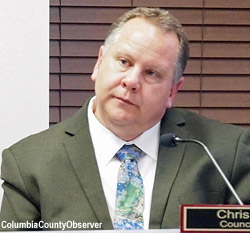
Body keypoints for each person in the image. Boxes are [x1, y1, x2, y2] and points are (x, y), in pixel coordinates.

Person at [0, 7, 250, 231]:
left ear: (173, 91)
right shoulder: (29, 164)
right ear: (99, 63)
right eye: (123, 61)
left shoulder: (226, 154)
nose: (131, 81)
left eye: (152, 73)